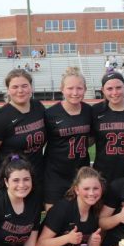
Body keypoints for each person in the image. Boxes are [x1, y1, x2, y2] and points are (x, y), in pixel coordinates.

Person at [0, 69, 46, 208]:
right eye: (15, 87)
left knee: (32, 220)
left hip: (35, 176)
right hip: (12, 180)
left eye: (24, 86)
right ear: (8, 90)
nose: (20, 90)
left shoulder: (38, 107)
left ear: (31, 87)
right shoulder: (1, 118)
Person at [42, 67, 92, 208]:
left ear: (85, 89)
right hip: (55, 175)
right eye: (70, 88)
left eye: (79, 88)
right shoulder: (50, 114)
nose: (75, 93)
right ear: (62, 89)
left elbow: (92, 137)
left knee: (80, 215)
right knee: (53, 219)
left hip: (81, 173)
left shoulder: (89, 111)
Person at [91, 71, 124, 184]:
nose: (115, 92)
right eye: (109, 89)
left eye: (118, 87)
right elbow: (89, 139)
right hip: (102, 173)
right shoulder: (95, 110)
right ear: (103, 90)